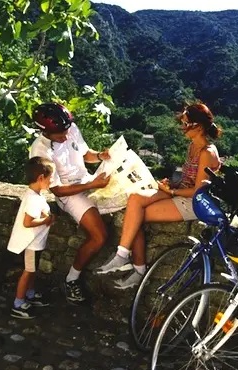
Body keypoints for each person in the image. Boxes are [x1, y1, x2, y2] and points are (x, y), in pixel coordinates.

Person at [95, 102, 222, 289]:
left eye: (187, 124)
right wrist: (170, 185)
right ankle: (124, 258)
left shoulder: (207, 153)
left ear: (200, 127)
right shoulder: (193, 147)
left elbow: (198, 191)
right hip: (180, 193)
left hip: (193, 203)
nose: (183, 128)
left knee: (135, 216)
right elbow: (187, 180)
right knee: (135, 199)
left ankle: (134, 267)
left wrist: (171, 191)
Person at [29, 102, 112, 304]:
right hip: (69, 193)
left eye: (67, 131)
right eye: (60, 135)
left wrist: (101, 156)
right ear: (46, 132)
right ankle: (71, 279)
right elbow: (57, 189)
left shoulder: (70, 129)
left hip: (87, 181)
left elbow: (85, 154)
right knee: (99, 236)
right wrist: (92, 185)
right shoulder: (40, 151)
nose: (66, 137)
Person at [6, 157, 56, 319]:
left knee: (32, 270)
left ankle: (30, 293)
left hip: (36, 243)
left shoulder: (36, 195)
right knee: (28, 272)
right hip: (31, 244)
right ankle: (18, 303)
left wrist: (46, 216)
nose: (52, 181)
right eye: (50, 178)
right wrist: (47, 220)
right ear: (41, 178)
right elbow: (28, 222)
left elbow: (39, 211)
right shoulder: (33, 198)